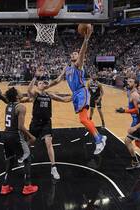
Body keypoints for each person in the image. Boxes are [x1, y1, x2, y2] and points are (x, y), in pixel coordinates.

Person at [51, 24, 107, 155]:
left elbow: (82, 52)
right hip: (76, 94)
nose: (74, 54)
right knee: (84, 119)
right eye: (73, 53)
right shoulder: (67, 68)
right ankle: (100, 137)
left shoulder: (78, 65)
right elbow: (57, 80)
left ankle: (99, 140)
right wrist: (47, 87)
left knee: (83, 119)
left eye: (76, 53)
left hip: (82, 92)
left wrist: (86, 39)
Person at [27, 68, 72, 179]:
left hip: (46, 122)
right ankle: (22, 154)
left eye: (43, 82)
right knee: (30, 141)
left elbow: (64, 100)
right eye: (40, 83)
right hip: (36, 122)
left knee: (49, 143)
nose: (43, 84)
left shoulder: (49, 94)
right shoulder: (35, 94)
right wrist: (35, 77)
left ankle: (53, 167)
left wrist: (75, 96)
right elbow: (29, 90)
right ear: (37, 85)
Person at [0, 87, 38, 195]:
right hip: (15, 136)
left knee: (10, 161)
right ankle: (27, 186)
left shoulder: (9, 105)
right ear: (16, 96)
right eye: (19, 91)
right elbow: (21, 127)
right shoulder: (21, 107)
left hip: (6, 135)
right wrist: (31, 137)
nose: (21, 91)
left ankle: (5, 186)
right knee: (27, 158)